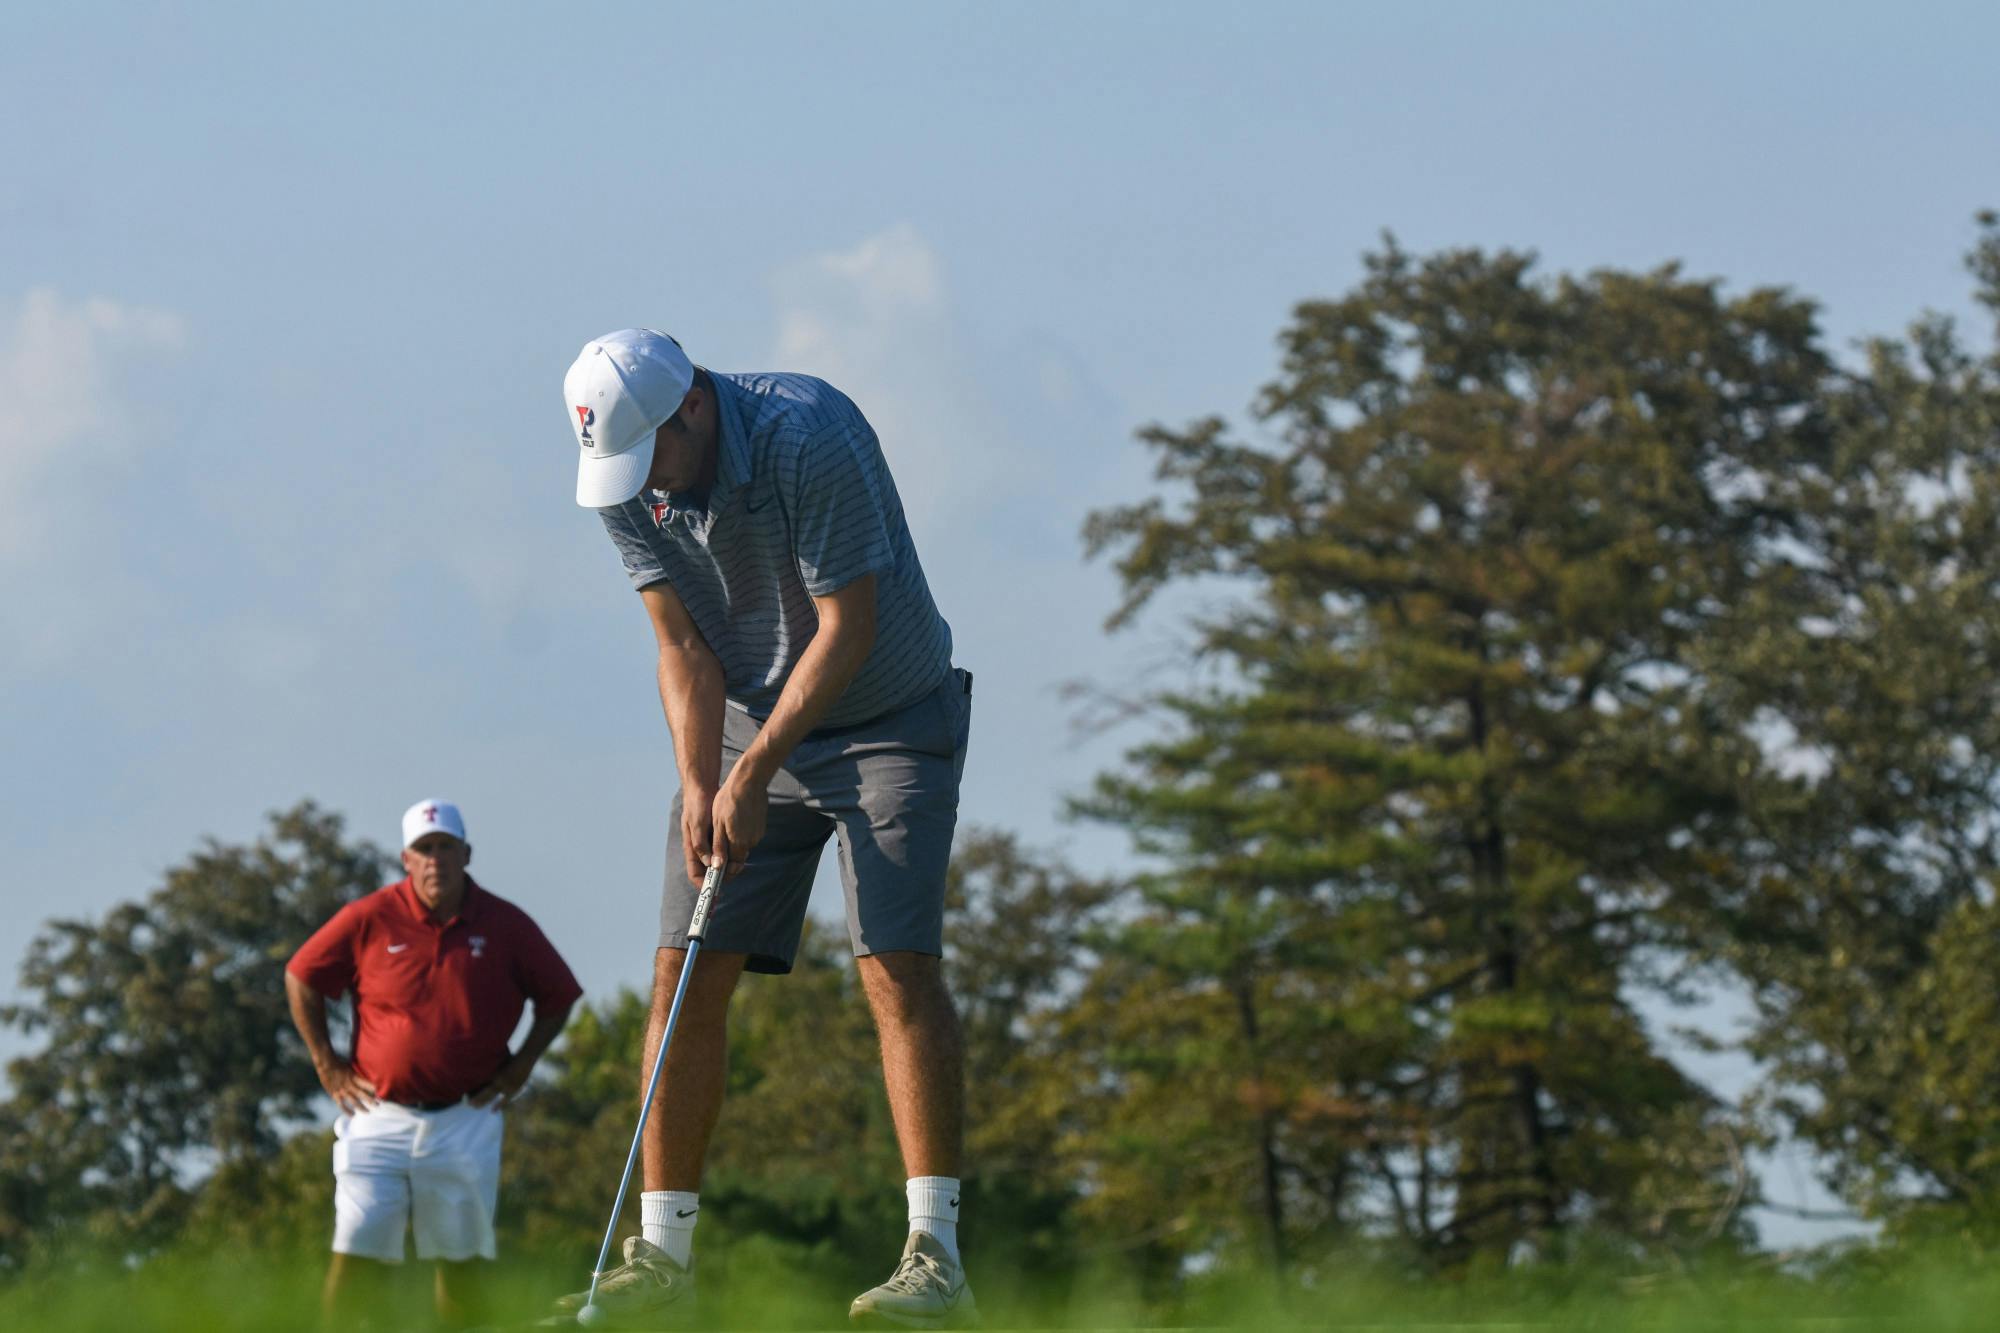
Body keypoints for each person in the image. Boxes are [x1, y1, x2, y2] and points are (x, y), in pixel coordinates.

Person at [557, 329, 976, 1328]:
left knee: (895, 964)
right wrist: (700, 782)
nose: (639, 484)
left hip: (889, 715)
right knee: (683, 967)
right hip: (749, 723)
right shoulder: (623, 475)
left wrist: (749, 773)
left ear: (694, 406)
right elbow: (682, 648)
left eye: (650, 454)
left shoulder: (807, 434)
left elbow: (847, 627)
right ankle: (663, 1262)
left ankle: (935, 1259)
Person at [285, 799, 582, 1330]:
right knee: (357, 1249)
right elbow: (302, 975)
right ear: (406, 859)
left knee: (460, 1263)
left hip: (467, 1115)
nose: (435, 859)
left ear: (466, 854)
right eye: (424, 849)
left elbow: (558, 996)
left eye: (446, 847)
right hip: (377, 1113)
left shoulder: (505, 923)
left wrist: (520, 1068)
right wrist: (327, 1065)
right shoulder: (371, 916)